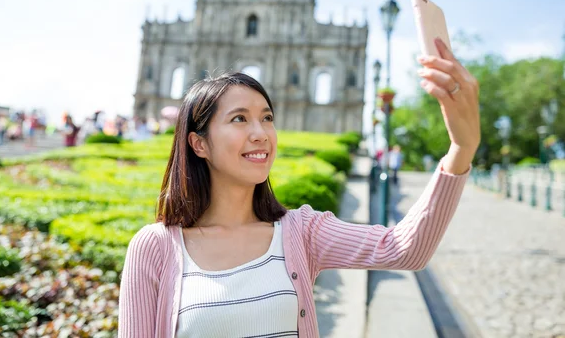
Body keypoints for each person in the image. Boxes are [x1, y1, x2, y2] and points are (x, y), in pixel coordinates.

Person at [118, 38, 480, 337]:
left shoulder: (301, 232)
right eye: (239, 118)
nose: (260, 133)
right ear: (199, 144)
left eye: (267, 118)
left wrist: (460, 150)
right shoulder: (155, 247)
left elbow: (404, 250)